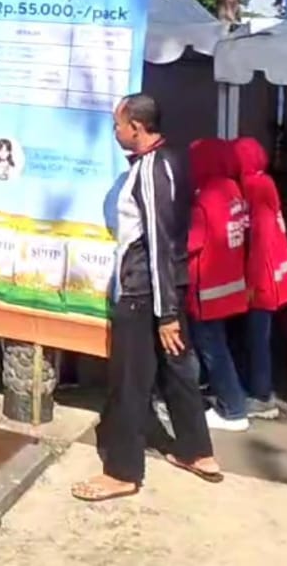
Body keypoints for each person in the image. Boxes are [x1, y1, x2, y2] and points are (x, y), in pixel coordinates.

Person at [73, 94, 218, 502]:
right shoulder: (171, 160)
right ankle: (196, 450)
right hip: (168, 287)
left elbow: (158, 241)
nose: (115, 132)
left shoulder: (151, 170)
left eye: (118, 125)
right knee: (177, 370)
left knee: (129, 381)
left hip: (144, 293)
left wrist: (165, 312)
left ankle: (122, 471)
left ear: (136, 128)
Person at [185, 138, 254, 430]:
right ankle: (224, 399)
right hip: (229, 283)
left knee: (211, 349)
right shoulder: (232, 190)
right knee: (218, 346)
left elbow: (191, 243)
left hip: (207, 289)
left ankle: (233, 410)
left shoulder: (206, 196)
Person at [233, 137, 287, 416]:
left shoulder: (255, 187)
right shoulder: (263, 182)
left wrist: (252, 282)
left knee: (257, 338)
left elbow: (260, 238)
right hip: (272, 274)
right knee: (264, 337)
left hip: (262, 277)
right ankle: (262, 388)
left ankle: (261, 396)